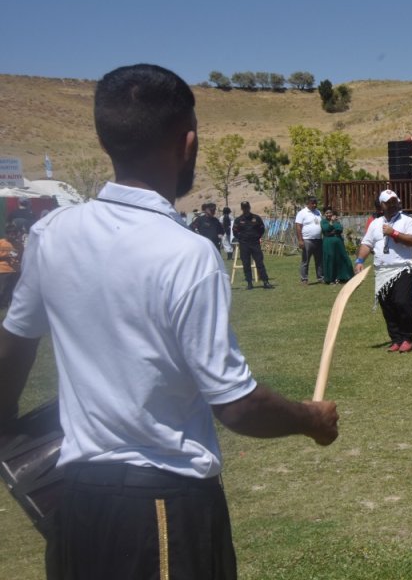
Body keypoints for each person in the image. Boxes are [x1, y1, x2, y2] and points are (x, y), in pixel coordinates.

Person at [0, 63, 339, 579]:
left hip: (77, 504)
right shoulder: (186, 253)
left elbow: (12, 352)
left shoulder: (54, 233)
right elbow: (237, 406)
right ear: (188, 143)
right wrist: (312, 420)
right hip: (161, 507)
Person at [356, 189, 412, 353]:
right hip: (382, 271)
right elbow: (367, 244)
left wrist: (394, 233)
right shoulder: (375, 224)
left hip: (402, 268)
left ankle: (408, 337)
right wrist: (359, 260)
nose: (392, 205)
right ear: (381, 205)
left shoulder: (407, 221)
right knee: (388, 306)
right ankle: (396, 339)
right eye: (388, 202)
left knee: (402, 302)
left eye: (394, 201)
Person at [233, 200, 273, 289]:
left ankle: (265, 282)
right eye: (244, 208)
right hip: (244, 245)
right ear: (242, 208)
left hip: (255, 244)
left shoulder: (256, 218)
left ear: (249, 207)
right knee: (246, 264)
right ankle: (249, 283)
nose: (245, 209)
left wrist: (257, 236)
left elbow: (262, 229)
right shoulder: (239, 220)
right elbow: (235, 231)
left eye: (247, 207)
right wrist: (241, 238)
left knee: (260, 263)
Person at [321, 207, 354, 285]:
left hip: (338, 242)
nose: (329, 214)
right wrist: (332, 224)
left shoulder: (337, 221)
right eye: (327, 213)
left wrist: (332, 228)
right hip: (328, 243)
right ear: (324, 214)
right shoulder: (323, 222)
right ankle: (330, 279)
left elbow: (339, 228)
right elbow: (326, 229)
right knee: (330, 259)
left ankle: (343, 277)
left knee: (342, 258)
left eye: (330, 213)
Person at [295, 196, 324, 284]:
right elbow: (298, 227)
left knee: (319, 260)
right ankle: (304, 279)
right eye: (312, 203)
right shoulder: (302, 213)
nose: (314, 205)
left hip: (318, 240)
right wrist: (300, 240)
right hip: (307, 240)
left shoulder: (318, 212)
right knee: (305, 261)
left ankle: (321, 278)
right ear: (308, 203)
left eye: (316, 203)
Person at [0, 223, 21, 308]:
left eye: (14, 234)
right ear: (7, 234)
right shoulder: (1, 242)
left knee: (12, 290)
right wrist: (7, 255)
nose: (12, 236)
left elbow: (21, 257)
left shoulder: (19, 245)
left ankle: (8, 306)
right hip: (3, 270)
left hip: (15, 271)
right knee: (2, 290)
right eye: (10, 234)